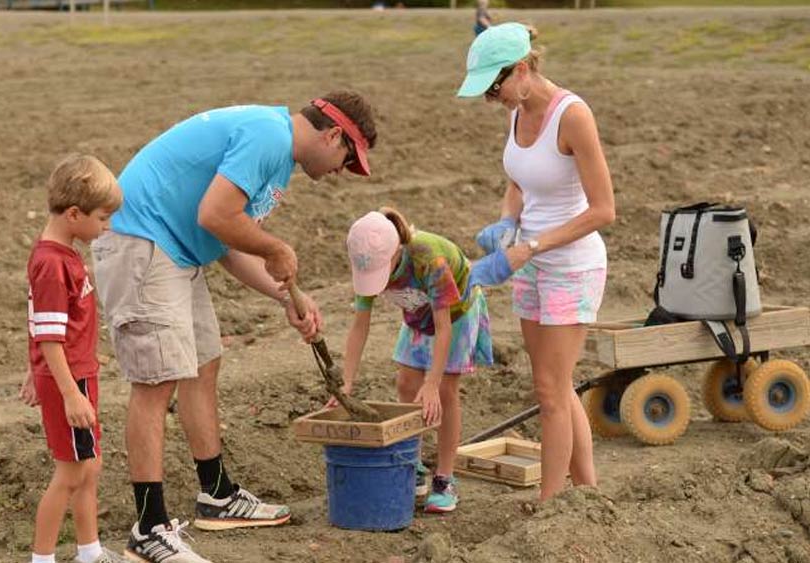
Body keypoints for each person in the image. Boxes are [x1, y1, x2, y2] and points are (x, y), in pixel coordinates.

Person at [91, 92, 377, 563]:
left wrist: (286, 296)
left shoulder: (277, 155)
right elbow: (216, 216)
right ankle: (148, 526)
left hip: (177, 250)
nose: (339, 173)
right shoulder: (268, 137)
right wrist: (276, 248)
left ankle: (217, 494)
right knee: (155, 383)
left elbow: (226, 241)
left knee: (204, 363)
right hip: (143, 244)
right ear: (333, 135)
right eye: (348, 159)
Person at [457, 22, 616, 501]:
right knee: (556, 387)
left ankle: (549, 503)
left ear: (521, 69)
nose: (492, 98)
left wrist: (534, 244)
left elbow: (604, 209)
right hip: (528, 261)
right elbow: (518, 182)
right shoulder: (516, 111)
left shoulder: (573, 115)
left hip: (572, 265)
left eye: (495, 87)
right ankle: (586, 491)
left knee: (549, 392)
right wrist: (508, 223)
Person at [331, 207, 517, 514]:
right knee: (405, 383)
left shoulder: (428, 258)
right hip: (418, 317)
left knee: (444, 391)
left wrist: (431, 383)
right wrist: (346, 383)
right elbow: (359, 325)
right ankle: (413, 464)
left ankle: (445, 477)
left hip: (456, 316)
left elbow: (443, 328)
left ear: (396, 252)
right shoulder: (366, 260)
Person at [20, 154, 125, 563]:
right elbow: (48, 337)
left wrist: (35, 370)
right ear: (75, 213)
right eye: (102, 218)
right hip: (70, 382)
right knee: (71, 473)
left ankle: (90, 551)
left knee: (90, 466)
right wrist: (69, 394)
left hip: (78, 377)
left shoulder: (62, 255)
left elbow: (40, 323)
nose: (107, 227)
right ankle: (42, 558)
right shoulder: (51, 264)